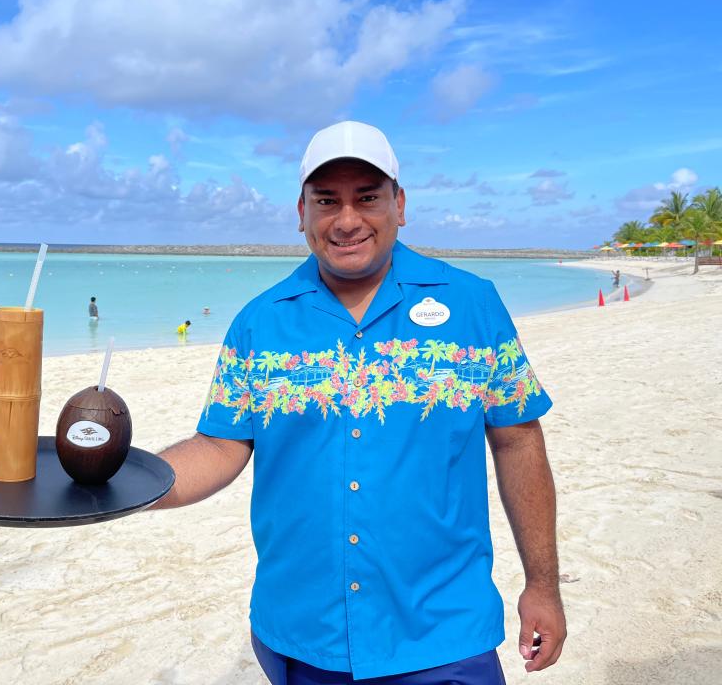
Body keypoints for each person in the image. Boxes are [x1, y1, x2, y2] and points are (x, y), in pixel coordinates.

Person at [148, 121, 565, 684]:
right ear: (302, 213)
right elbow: (221, 444)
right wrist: (122, 485)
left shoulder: (471, 304)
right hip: (304, 634)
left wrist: (542, 583)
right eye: (327, 201)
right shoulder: (261, 321)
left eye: (367, 197)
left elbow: (517, 440)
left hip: (443, 633)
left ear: (399, 204)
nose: (347, 220)